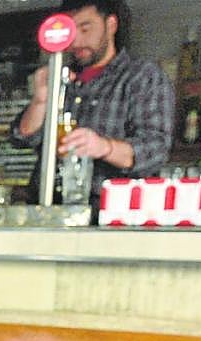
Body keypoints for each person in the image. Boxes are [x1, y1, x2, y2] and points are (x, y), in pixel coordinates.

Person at [10, 0, 173, 200]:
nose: (76, 41)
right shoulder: (60, 76)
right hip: (47, 205)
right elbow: (22, 138)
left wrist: (104, 147)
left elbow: (155, 149)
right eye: (71, 31)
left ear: (111, 25)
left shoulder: (142, 76)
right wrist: (40, 100)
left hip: (108, 209)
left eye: (85, 29)